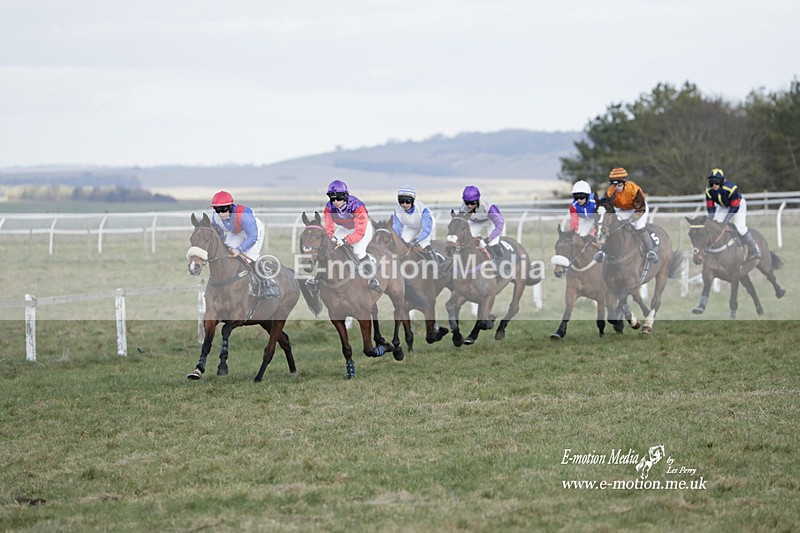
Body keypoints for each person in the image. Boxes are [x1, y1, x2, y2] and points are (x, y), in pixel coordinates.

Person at [210, 190, 279, 297]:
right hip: (236, 232)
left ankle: (267, 284)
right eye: (217, 210)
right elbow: (218, 232)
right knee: (227, 254)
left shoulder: (244, 215)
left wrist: (239, 249)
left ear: (230, 207)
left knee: (250, 257)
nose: (220, 213)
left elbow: (252, 237)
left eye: (223, 209)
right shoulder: (215, 217)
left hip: (253, 233)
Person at [323, 179, 381, 291]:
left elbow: (359, 232)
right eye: (332, 198)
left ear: (345, 196)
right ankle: (319, 278)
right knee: (330, 249)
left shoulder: (357, 206)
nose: (335, 201)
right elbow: (329, 229)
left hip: (362, 228)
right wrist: (331, 239)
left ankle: (373, 278)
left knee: (358, 252)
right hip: (345, 228)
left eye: (338, 198)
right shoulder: (329, 208)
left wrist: (345, 240)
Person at [602, 167, 659, 263]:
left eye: (619, 184)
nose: (617, 187)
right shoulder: (610, 191)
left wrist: (631, 219)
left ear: (625, 182)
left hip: (638, 209)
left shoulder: (634, 190)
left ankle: (650, 251)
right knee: (613, 226)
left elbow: (640, 209)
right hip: (623, 209)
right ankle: (603, 250)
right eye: (614, 184)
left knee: (638, 227)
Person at [705, 168, 760, 260]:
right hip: (723, 206)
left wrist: (725, 221)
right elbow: (710, 208)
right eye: (711, 182)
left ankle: (754, 250)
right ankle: (714, 249)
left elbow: (734, 207)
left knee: (740, 228)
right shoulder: (708, 191)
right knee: (715, 225)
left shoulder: (731, 188)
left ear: (722, 181)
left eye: (717, 182)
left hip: (738, 205)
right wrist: (710, 221)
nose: (714, 185)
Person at [391, 185, 438, 263]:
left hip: (427, 225)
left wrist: (417, 239)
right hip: (412, 226)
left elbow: (426, 229)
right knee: (404, 241)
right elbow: (397, 227)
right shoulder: (397, 210)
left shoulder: (423, 209)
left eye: (407, 201)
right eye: (401, 201)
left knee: (423, 243)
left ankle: (437, 265)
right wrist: (397, 238)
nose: (404, 204)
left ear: (413, 200)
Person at [459, 185, 505, 260]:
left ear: (478, 200)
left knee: (492, 244)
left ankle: (501, 262)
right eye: (466, 203)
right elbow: (460, 223)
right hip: (476, 222)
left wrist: (487, 239)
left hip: (491, 221)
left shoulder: (490, 208)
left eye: (472, 203)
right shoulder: (463, 208)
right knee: (465, 241)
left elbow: (499, 225)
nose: (469, 206)